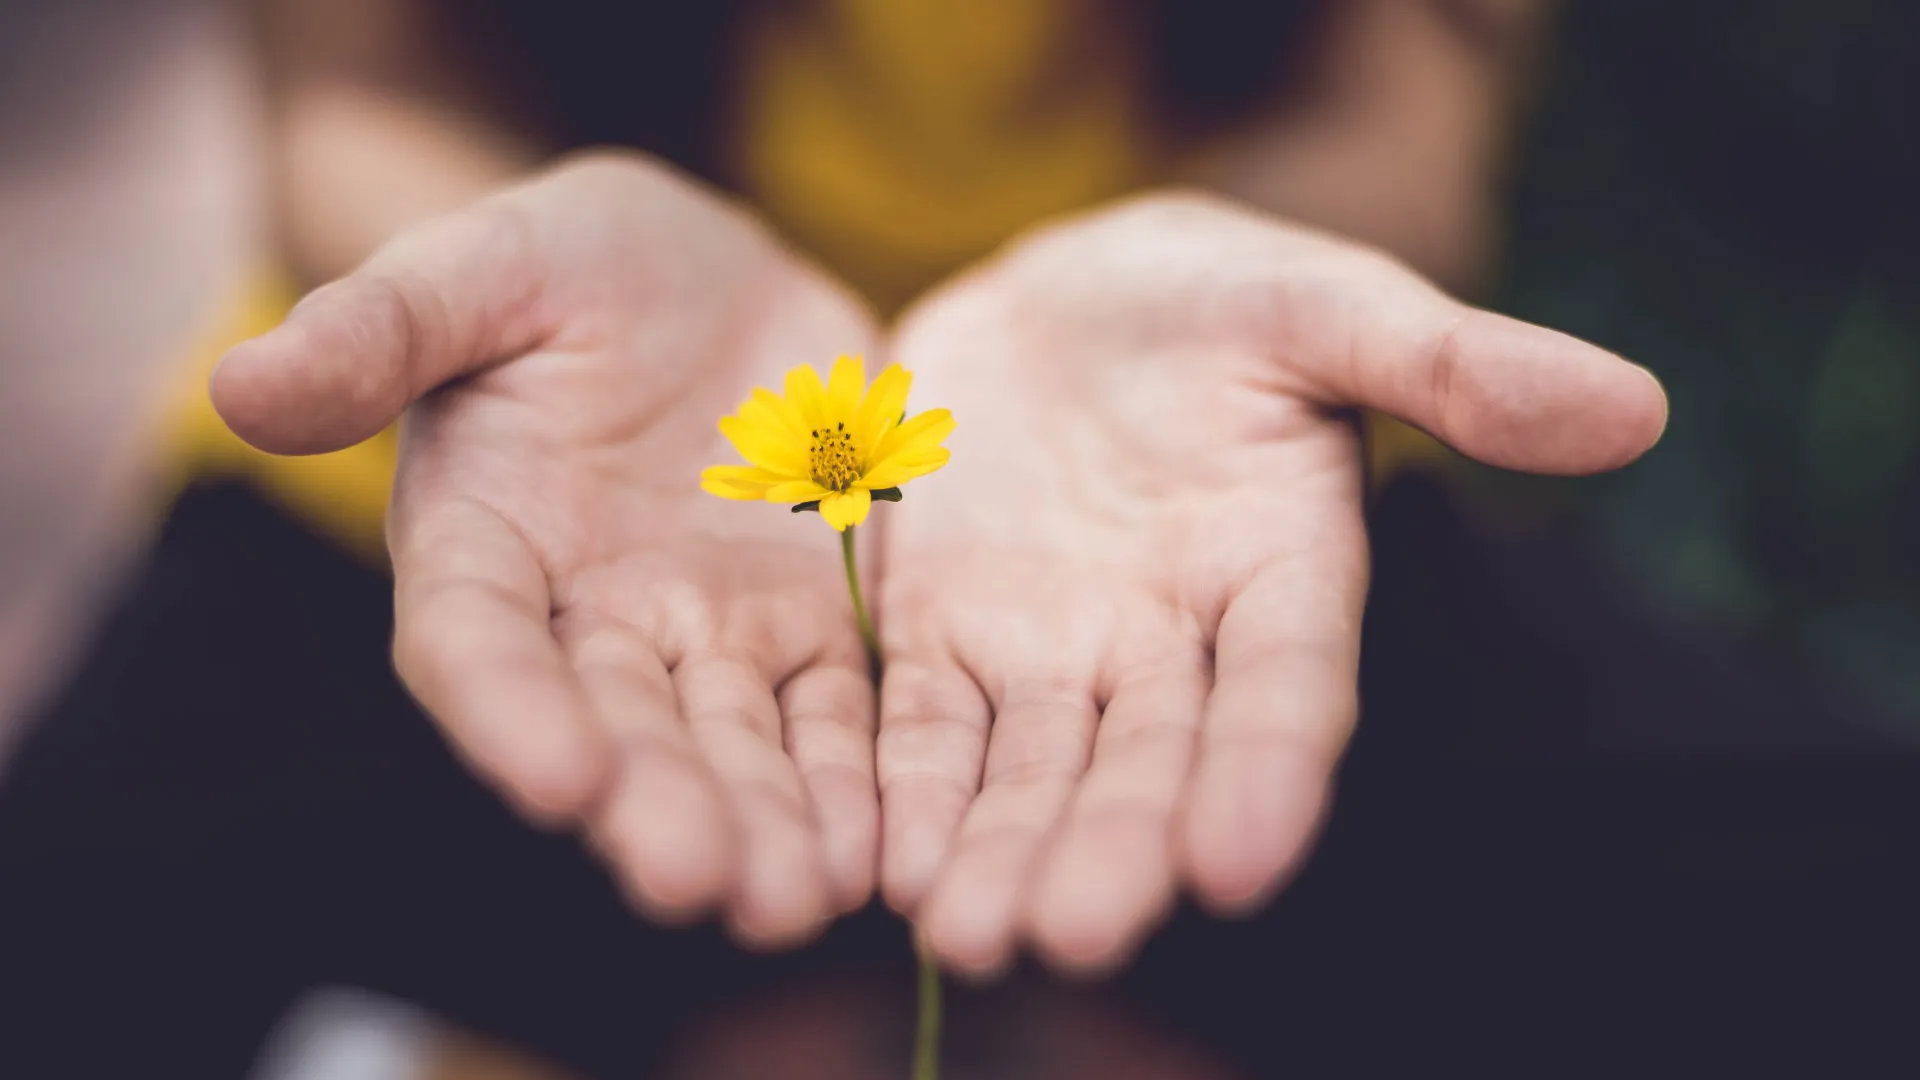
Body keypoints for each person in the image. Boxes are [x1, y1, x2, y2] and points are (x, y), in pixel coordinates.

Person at [201, 0, 1662, 974]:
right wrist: (486, 262)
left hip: (1196, 497)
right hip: (548, 485)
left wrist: (1240, 262)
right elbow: (353, 82)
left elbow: (1412, 96)